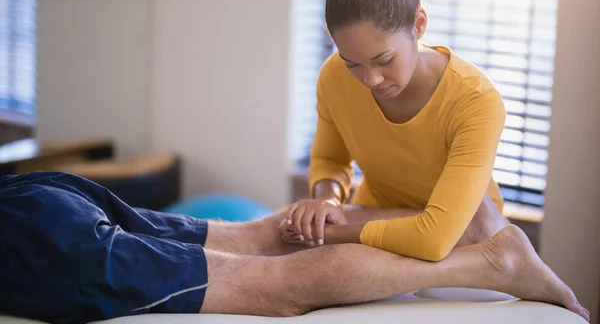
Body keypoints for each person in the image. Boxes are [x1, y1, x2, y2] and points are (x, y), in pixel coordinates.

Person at [0, 171, 589, 323]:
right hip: (35, 198)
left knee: (277, 291)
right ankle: (467, 226)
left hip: (35, 239)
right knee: (261, 235)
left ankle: (488, 262)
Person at [284, 0, 515, 261]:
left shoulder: (476, 101)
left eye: (384, 60)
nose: (370, 79)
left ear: (419, 24)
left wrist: (336, 232)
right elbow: (331, 159)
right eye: (353, 63)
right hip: (375, 215)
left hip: (466, 237)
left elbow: (434, 240)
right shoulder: (334, 75)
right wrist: (328, 201)